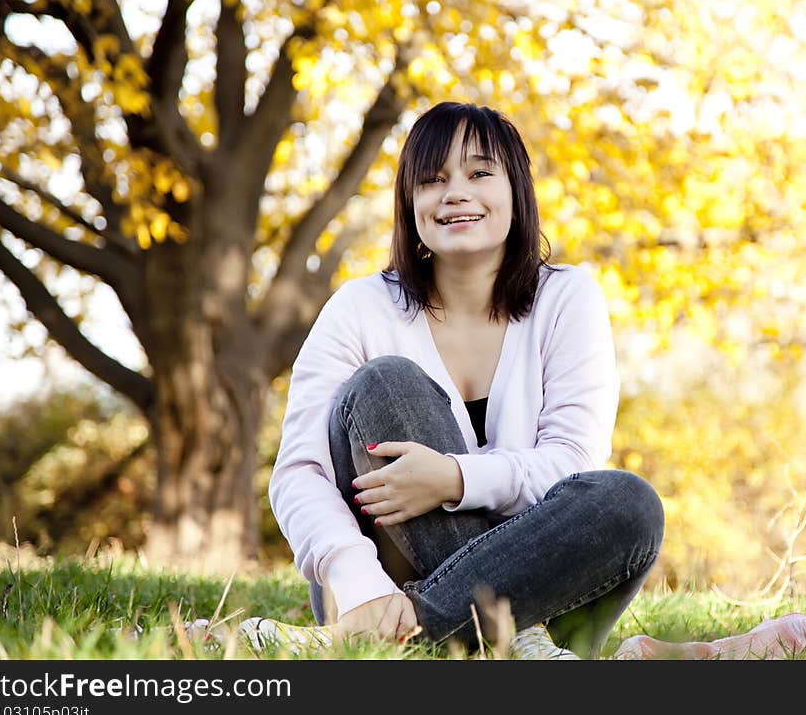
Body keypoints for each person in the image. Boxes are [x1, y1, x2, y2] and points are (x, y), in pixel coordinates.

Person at [255, 101, 665, 659]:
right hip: (379, 590)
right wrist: (357, 581)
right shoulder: (360, 307)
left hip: (540, 592)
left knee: (628, 502)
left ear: (516, 192)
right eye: (433, 180)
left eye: (479, 174)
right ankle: (512, 646)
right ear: (411, 204)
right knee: (386, 384)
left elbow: (571, 460)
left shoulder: (568, 299)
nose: (455, 193)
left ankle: (371, 645)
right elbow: (299, 473)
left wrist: (453, 478)